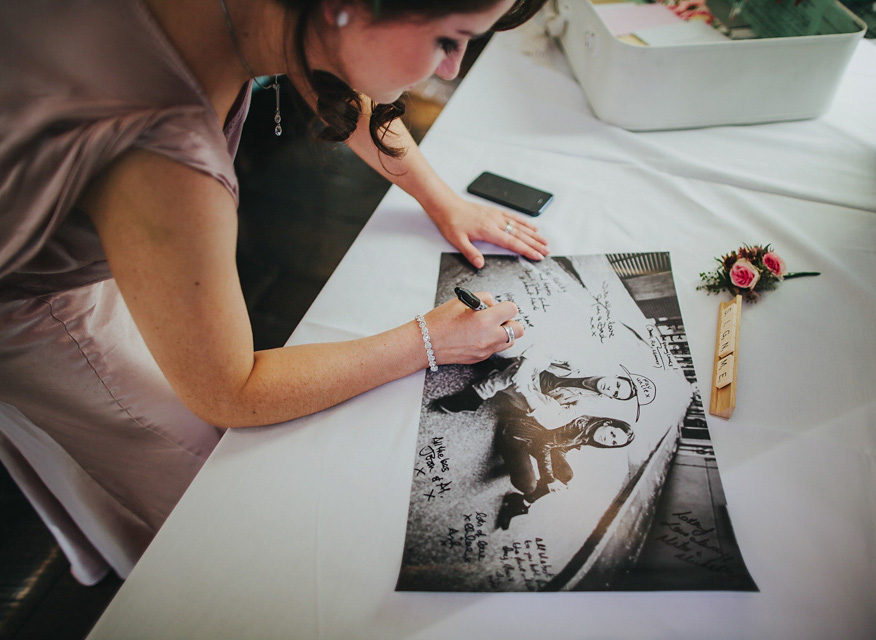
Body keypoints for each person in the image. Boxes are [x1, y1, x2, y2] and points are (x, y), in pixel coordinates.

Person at [0, 0, 549, 582]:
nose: (449, 70)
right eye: (448, 40)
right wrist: (429, 341)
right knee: (206, 482)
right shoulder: (166, 161)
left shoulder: (265, 14)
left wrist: (442, 199)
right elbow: (232, 392)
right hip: (38, 304)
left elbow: (328, 64)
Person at [493, 415, 635, 530]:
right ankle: (521, 485)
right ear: (608, 423)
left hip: (537, 439)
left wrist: (557, 468)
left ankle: (523, 503)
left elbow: (561, 446)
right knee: (528, 485)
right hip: (516, 434)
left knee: (565, 475)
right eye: (612, 433)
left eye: (614, 442)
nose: (608, 440)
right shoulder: (581, 426)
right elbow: (543, 444)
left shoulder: (593, 432)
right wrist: (549, 479)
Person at [433, 355, 638, 427]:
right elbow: (545, 348)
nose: (611, 389)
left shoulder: (590, 402)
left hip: (529, 393)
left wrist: (530, 394)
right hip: (527, 370)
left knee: (549, 408)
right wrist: (524, 371)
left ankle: (476, 396)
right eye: (617, 385)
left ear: (610, 397)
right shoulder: (588, 363)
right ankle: (482, 389)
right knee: (520, 368)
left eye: (615, 394)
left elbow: (554, 422)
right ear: (615, 376)